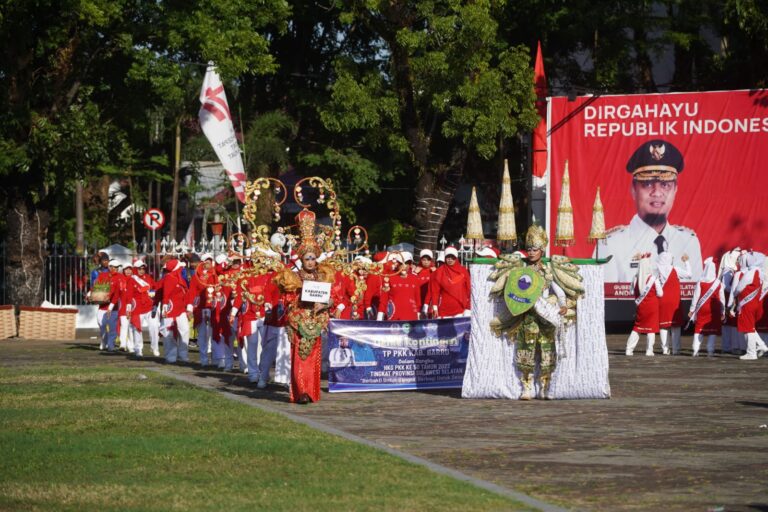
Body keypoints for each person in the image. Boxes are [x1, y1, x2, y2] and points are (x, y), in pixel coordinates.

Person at [600, 139, 702, 282]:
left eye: (665, 185)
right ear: (633, 190)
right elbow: (603, 302)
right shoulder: (611, 245)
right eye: (647, 184)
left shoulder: (688, 242)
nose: (657, 193)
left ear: (675, 190)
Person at [273, 209, 337, 404]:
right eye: (307, 258)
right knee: (300, 357)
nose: (311, 261)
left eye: (313, 258)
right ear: (301, 259)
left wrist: (325, 303)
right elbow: (286, 300)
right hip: (300, 321)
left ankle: (310, 391)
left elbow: (332, 299)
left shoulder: (323, 276)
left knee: (313, 358)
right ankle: (300, 392)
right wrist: (298, 299)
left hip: (316, 321)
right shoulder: (293, 277)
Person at [728, 252, 768, 360]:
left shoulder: (750, 273)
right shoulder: (760, 272)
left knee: (748, 328)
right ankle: (761, 345)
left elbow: (739, 287)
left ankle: (751, 352)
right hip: (755, 303)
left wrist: (735, 296)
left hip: (747, 303)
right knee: (751, 327)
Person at [625, 254, 663, 356]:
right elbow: (660, 293)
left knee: (637, 327)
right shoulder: (653, 279)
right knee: (651, 328)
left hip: (640, 306)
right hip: (652, 307)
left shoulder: (635, 278)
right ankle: (649, 350)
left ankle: (629, 349)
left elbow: (631, 291)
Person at [155, 258, 190, 364]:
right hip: (170, 310)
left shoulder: (180, 278)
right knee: (169, 333)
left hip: (181, 310)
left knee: (185, 331)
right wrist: (164, 308)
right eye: (180, 267)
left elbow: (186, 294)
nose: (182, 268)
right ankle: (171, 356)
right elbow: (165, 294)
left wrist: (188, 308)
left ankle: (183, 355)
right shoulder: (169, 278)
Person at [688, 257, 725, 357]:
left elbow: (695, 298)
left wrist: (692, 310)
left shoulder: (700, 282)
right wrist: (723, 312)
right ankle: (710, 350)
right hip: (715, 310)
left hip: (702, 309)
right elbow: (722, 299)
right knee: (712, 329)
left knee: (699, 329)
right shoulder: (719, 283)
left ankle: (695, 350)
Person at [656, 252, 691, 355]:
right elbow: (689, 275)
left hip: (662, 301)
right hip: (675, 301)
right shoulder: (675, 269)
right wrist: (687, 262)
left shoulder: (657, 271)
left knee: (663, 325)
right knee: (675, 326)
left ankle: (665, 349)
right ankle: (676, 349)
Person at [186, 253, 217, 367]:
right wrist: (189, 309)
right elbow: (192, 293)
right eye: (206, 261)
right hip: (200, 308)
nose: (208, 264)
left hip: (213, 308)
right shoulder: (196, 276)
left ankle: (216, 359)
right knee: (202, 335)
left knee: (214, 334)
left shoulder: (215, 275)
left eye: (210, 261)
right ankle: (204, 359)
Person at [428, 246, 470, 318]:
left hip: (461, 310)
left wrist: (468, 308)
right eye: (448, 257)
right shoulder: (439, 272)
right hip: (444, 311)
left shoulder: (463, 271)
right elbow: (435, 291)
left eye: (452, 257)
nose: (450, 259)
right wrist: (435, 307)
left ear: (456, 258)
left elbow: (469, 289)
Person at [132, 259, 160, 357]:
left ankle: (155, 348)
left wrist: (153, 292)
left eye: (143, 268)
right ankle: (138, 349)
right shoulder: (131, 279)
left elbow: (155, 287)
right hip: (137, 308)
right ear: (135, 269)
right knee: (137, 329)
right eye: (139, 268)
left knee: (154, 327)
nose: (141, 270)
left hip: (149, 307)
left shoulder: (148, 277)